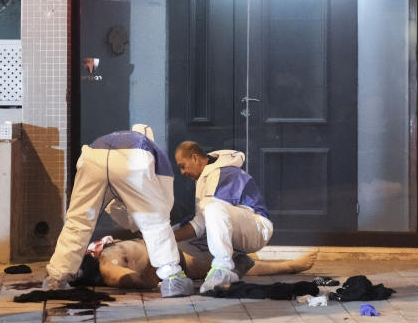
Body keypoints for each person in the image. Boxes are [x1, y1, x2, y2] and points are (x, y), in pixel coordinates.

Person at [42, 125, 195, 297]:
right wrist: (143, 226)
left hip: (92, 156)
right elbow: (162, 206)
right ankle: (172, 277)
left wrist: (134, 221)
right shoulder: (154, 150)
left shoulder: (108, 137)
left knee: (78, 221)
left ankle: (56, 278)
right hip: (135, 160)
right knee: (156, 220)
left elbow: (110, 206)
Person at [174, 141, 272, 293]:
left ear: (194, 158)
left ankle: (223, 268)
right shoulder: (206, 175)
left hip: (257, 228)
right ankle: (237, 261)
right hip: (236, 226)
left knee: (213, 209)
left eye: (182, 165)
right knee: (179, 235)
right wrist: (169, 235)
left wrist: (165, 237)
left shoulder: (224, 173)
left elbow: (203, 221)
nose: (182, 172)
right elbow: (202, 221)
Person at [79, 233, 318, 290]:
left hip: (165, 241)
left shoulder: (105, 246)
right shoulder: (105, 265)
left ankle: (283, 263)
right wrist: (149, 279)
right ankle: (290, 265)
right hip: (176, 260)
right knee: (232, 265)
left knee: (226, 247)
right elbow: (123, 278)